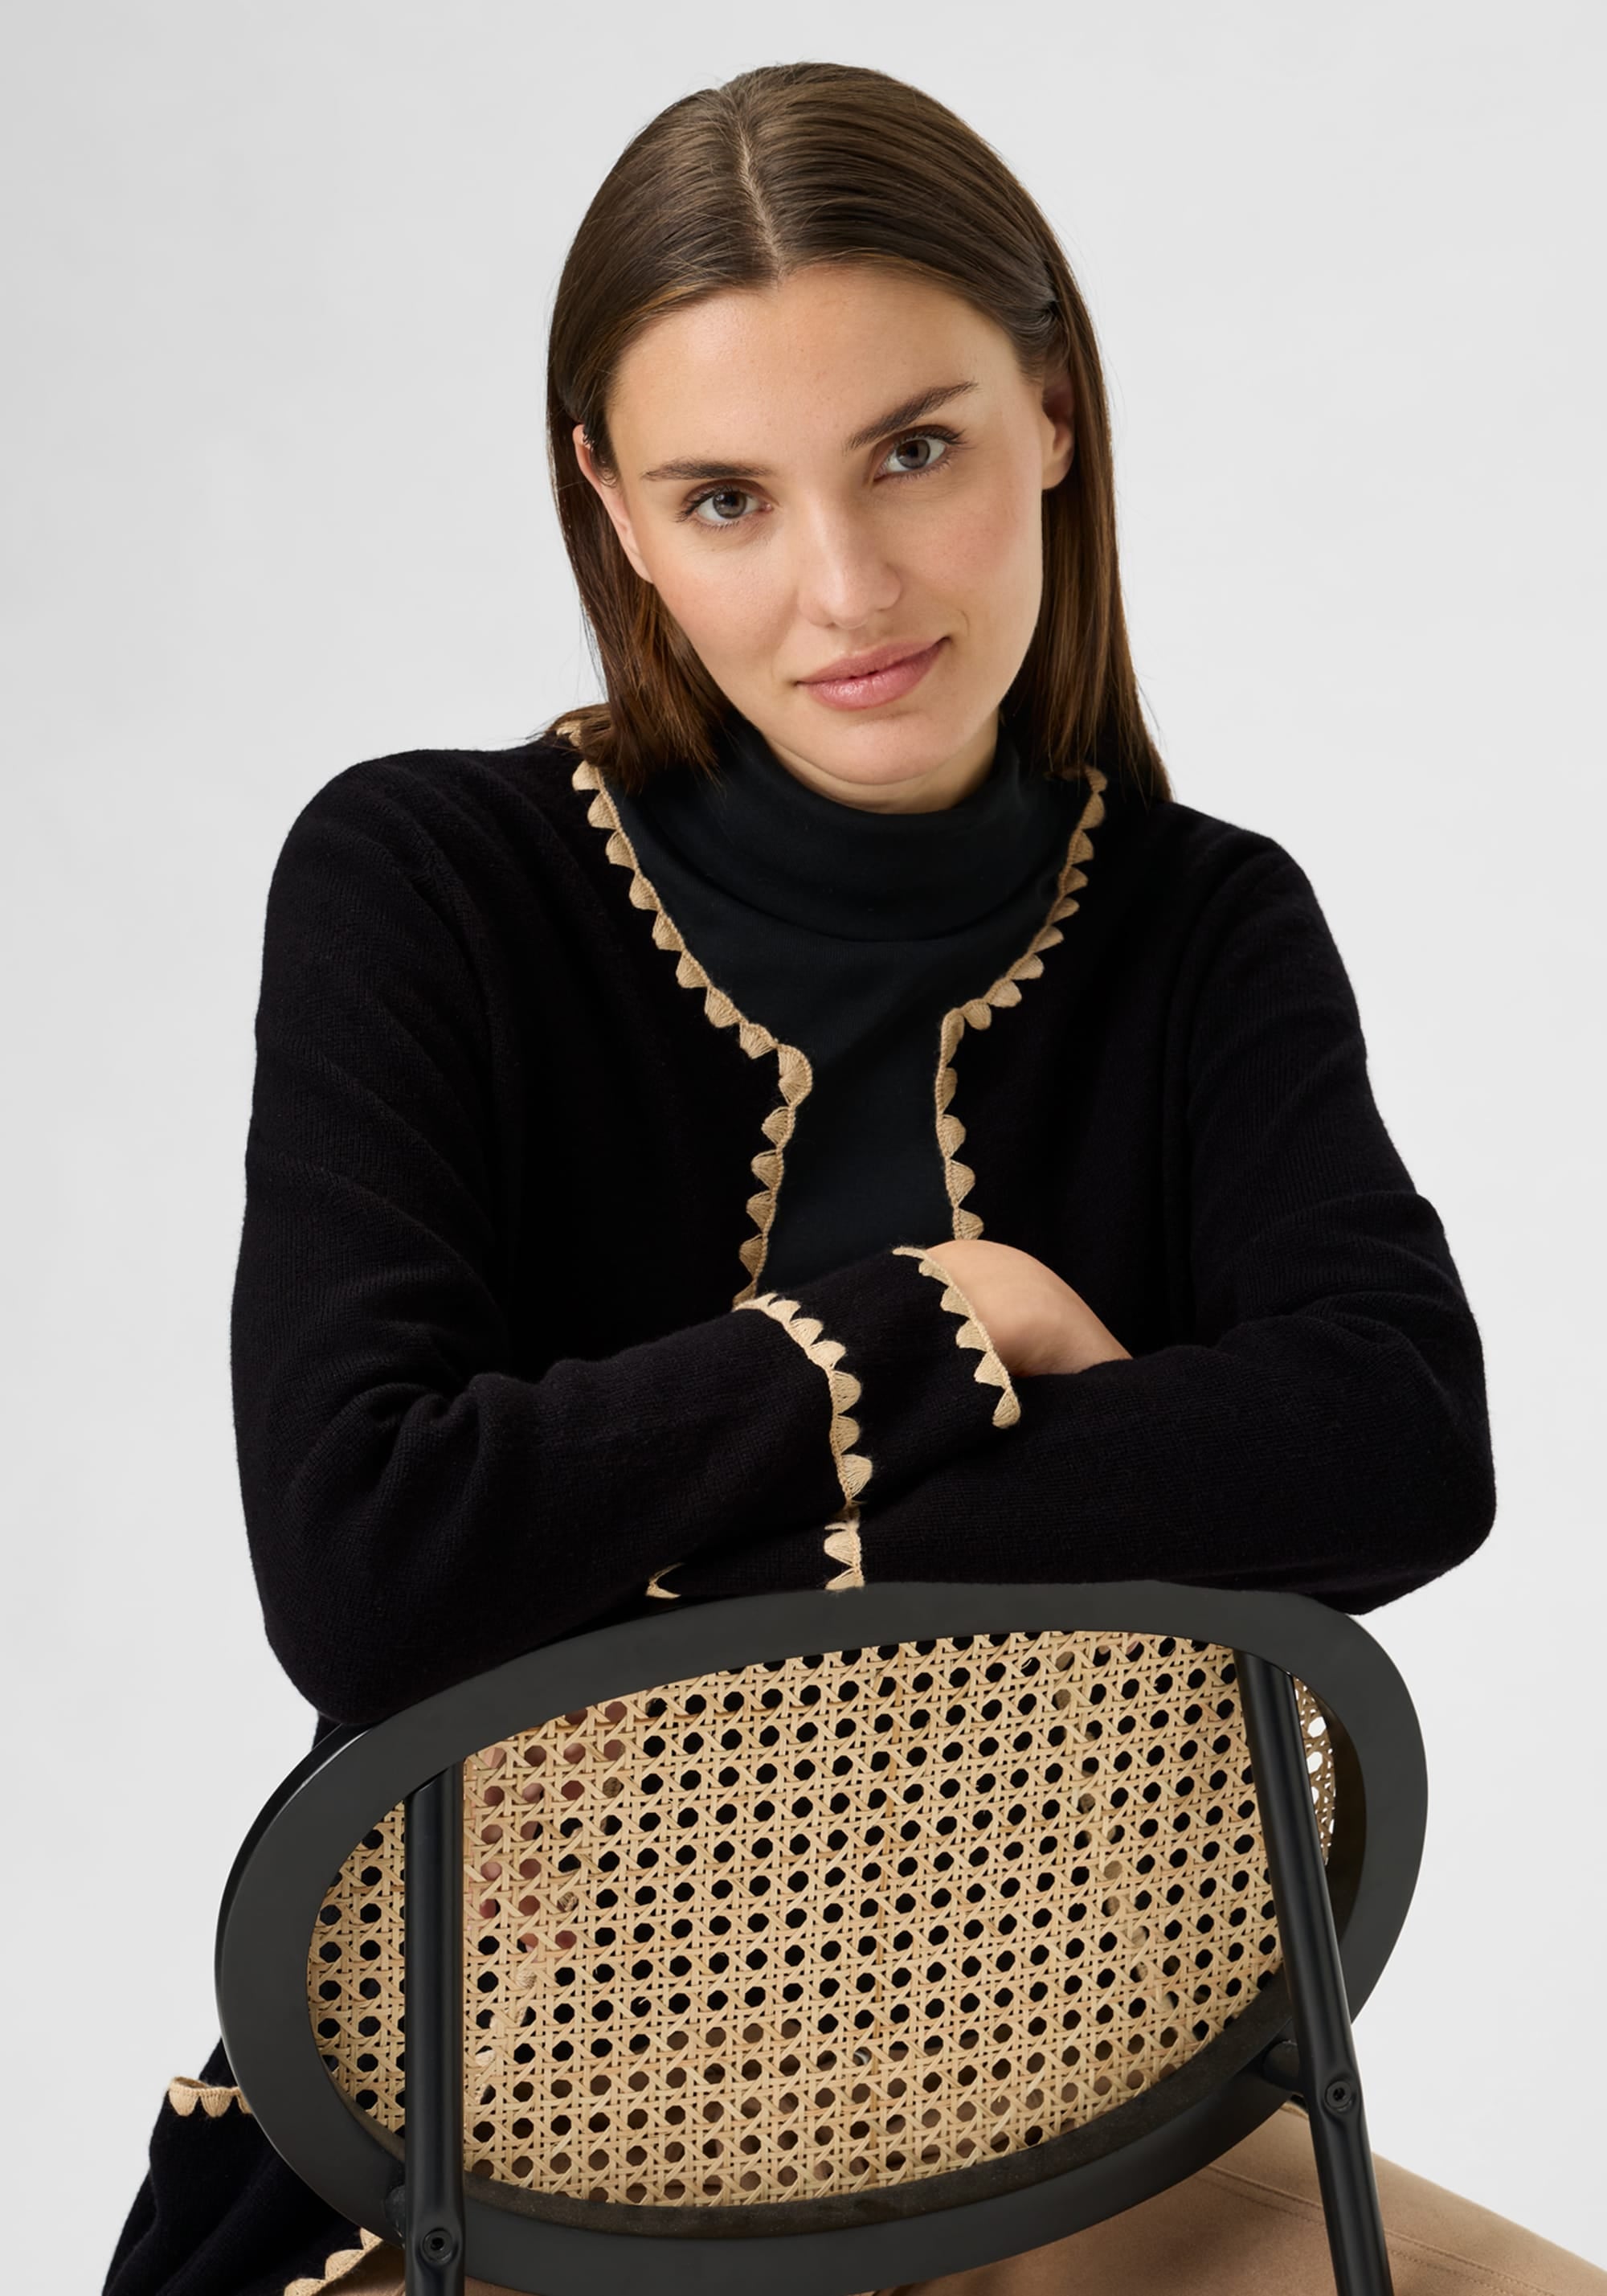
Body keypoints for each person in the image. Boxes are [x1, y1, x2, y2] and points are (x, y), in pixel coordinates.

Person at [103, 59, 1603, 2296]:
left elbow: (1397, 1435)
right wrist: (939, 1324)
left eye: (915, 450)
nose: (846, 587)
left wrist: (650, 1560)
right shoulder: (427, 881)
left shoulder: (1203, 928)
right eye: (726, 497)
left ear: (1054, 416)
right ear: (614, 510)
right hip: (489, 2135)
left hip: (1068, 2110)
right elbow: (367, 1549)